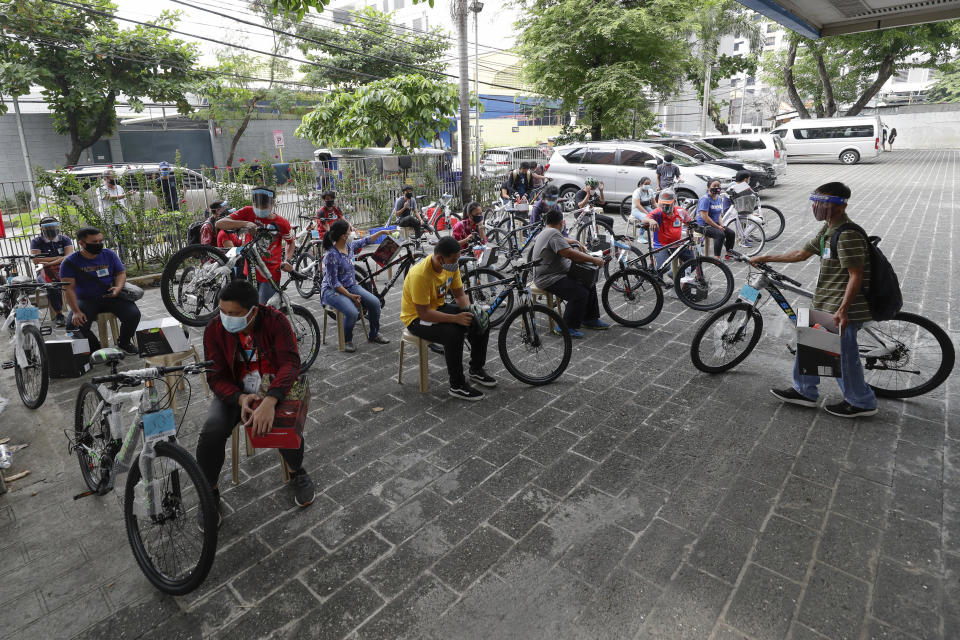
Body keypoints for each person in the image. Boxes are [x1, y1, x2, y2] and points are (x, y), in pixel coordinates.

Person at [752, 181, 877, 418]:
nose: (816, 208)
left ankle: (862, 402)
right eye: (815, 202)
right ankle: (805, 392)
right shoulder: (828, 229)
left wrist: (843, 310)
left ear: (841, 206)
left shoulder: (847, 234)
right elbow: (801, 254)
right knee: (809, 345)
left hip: (841, 307)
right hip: (825, 302)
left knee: (844, 360)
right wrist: (765, 257)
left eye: (822, 203)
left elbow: (856, 274)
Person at [198, 279, 315, 520]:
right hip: (234, 392)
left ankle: (297, 472)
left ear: (253, 310)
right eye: (223, 311)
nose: (227, 318)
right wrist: (239, 398)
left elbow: (291, 363)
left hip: (271, 387)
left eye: (235, 313)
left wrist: (271, 399)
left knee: (286, 422)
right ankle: (209, 491)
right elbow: (215, 377)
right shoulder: (214, 329)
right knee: (212, 430)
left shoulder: (275, 321)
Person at [400, 236, 495, 400]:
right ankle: (457, 385)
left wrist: (470, 310)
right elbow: (424, 313)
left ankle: (476, 369)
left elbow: (459, 294)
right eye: (453, 259)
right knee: (453, 334)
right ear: (439, 258)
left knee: (481, 321)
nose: (456, 262)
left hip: (437, 308)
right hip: (416, 319)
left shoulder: (451, 266)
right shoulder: (420, 274)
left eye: (458, 258)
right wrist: (456, 318)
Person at [59, 226, 141, 355]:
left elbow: (121, 273)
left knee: (133, 315)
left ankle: (124, 343)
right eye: (94, 242)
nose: (98, 244)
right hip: (86, 300)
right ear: (81, 243)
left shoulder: (109, 254)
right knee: (72, 327)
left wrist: (118, 288)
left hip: (110, 295)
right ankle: (96, 349)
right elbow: (68, 289)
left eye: (100, 241)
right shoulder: (69, 262)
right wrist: (75, 311)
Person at [532, 209, 609, 338]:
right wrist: (594, 259)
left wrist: (575, 242)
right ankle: (565, 326)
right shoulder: (552, 233)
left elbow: (561, 240)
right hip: (548, 278)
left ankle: (589, 319)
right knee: (579, 292)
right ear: (562, 223)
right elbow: (570, 254)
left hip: (555, 273)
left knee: (588, 280)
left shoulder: (547, 231)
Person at [216, 186, 295, 305]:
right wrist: (245, 223)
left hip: (270, 273)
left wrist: (287, 260)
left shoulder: (282, 223)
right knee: (250, 308)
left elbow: (291, 242)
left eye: (264, 206)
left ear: (272, 204)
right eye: (256, 205)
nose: (259, 209)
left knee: (264, 310)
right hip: (250, 271)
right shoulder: (248, 212)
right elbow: (220, 223)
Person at [320, 220, 390, 352]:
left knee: (375, 303)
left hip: (350, 286)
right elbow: (334, 283)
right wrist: (350, 296)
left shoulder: (349, 246)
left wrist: (381, 232)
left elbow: (366, 241)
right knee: (352, 312)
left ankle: (374, 334)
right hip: (332, 291)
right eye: (349, 231)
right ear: (343, 235)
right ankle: (347, 340)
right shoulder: (331, 255)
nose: (352, 232)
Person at [30, 216, 72, 326]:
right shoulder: (36, 242)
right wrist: (59, 258)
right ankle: (59, 314)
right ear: (41, 229)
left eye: (53, 226)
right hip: (44, 271)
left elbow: (69, 257)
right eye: (47, 227)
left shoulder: (64, 239)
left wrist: (48, 262)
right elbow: (36, 261)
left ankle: (81, 310)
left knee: (80, 280)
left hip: (64, 268)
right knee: (51, 286)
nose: (51, 229)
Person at [641, 189, 693, 270]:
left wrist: (690, 237)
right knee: (664, 267)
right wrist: (651, 220)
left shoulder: (681, 211)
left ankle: (676, 276)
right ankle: (657, 281)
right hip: (659, 245)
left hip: (677, 243)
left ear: (674, 202)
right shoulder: (658, 212)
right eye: (663, 204)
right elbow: (644, 219)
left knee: (693, 262)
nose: (665, 206)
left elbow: (690, 224)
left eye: (668, 204)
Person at [696, 180, 735, 259]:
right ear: (708, 188)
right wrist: (718, 227)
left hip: (715, 224)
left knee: (731, 233)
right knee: (720, 235)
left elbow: (719, 214)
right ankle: (716, 258)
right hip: (703, 225)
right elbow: (705, 217)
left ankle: (729, 254)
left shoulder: (718, 198)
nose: (717, 188)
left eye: (718, 186)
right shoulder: (705, 199)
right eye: (714, 186)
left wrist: (722, 225)